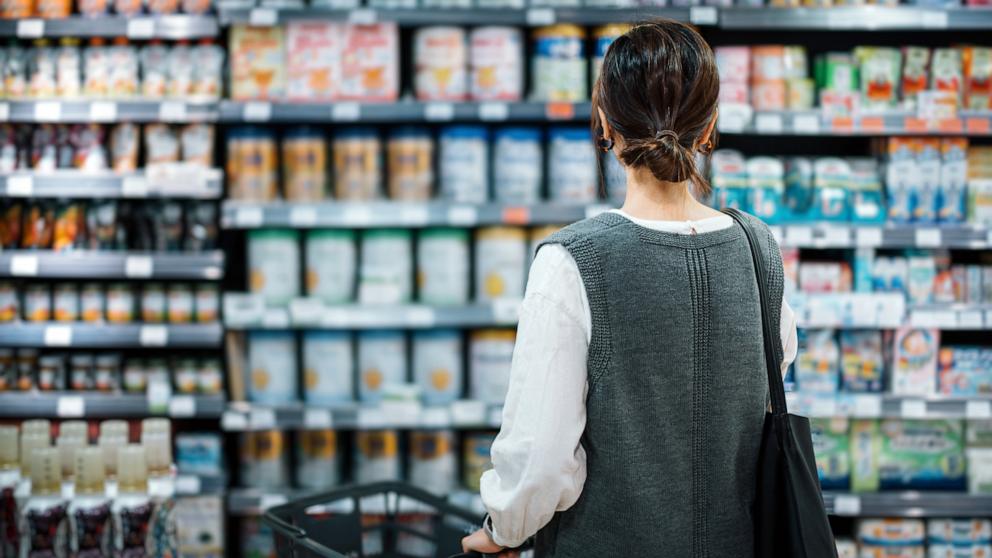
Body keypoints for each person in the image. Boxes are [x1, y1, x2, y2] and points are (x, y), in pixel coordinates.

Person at [461, 19, 798, 558]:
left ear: (604, 126)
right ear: (709, 127)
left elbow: (541, 458)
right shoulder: (759, 248)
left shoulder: (573, 262)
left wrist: (503, 529)